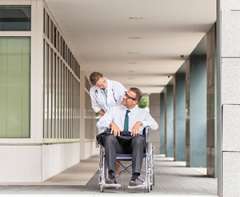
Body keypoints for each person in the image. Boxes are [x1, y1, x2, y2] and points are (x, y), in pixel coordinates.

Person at [96, 87, 159, 187]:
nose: (124, 97)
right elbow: (99, 123)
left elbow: (155, 125)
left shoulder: (143, 113)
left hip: (134, 144)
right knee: (108, 137)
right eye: (125, 94)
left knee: (139, 139)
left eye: (128, 96)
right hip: (117, 143)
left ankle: (135, 177)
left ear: (135, 102)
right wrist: (111, 124)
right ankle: (111, 175)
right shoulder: (114, 110)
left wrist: (141, 122)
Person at [89, 72, 126, 175]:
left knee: (117, 140)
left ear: (104, 78)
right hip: (105, 118)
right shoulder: (93, 90)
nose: (102, 86)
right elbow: (96, 108)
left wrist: (116, 118)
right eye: (99, 86)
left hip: (120, 118)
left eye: (103, 83)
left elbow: (125, 102)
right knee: (109, 142)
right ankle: (113, 170)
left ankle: (115, 170)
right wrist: (108, 118)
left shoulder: (116, 85)